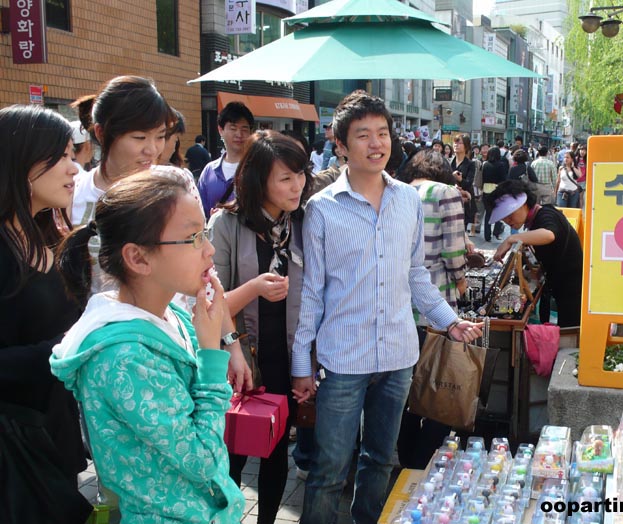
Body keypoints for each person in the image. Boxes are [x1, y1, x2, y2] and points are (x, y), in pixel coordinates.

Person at [290, 91, 483, 524]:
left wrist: (449, 322)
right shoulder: (321, 210)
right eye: (363, 135)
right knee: (328, 468)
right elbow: (313, 292)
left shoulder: (408, 201)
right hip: (343, 360)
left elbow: (416, 274)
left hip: (397, 357)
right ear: (340, 145)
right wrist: (302, 362)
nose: (377, 144)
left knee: (380, 459)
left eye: (382, 133)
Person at [51, 170, 246, 522]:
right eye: (194, 238)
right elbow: (203, 459)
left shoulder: (172, 313)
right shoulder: (124, 357)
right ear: (138, 258)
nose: (210, 249)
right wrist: (212, 356)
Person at [209, 131, 312, 524]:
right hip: (237, 356)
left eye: (301, 174)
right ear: (258, 180)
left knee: (274, 451)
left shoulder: (302, 223)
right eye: (285, 178)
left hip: (283, 356)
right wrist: (253, 288)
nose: (297, 185)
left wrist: (306, 363)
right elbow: (209, 301)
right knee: (232, 451)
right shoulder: (227, 224)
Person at [0, 105, 92, 524]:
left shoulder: (52, 237)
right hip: (13, 451)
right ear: (20, 161)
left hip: (57, 437)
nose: (74, 169)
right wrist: (63, 350)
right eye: (60, 156)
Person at [395, 150, 467, 469]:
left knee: (408, 390)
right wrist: (462, 280)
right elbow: (453, 253)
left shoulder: (398, 189)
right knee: (439, 391)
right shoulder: (445, 192)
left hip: (400, 306)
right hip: (436, 305)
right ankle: (423, 462)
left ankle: (406, 457)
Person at [70, 75, 175, 294]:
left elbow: (202, 267)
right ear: (101, 133)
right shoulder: (73, 193)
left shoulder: (175, 186)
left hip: (169, 323)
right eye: (139, 137)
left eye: (160, 136)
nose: (152, 149)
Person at [486, 179, 583, 328]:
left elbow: (549, 235)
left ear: (524, 204)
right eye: (503, 217)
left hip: (572, 287)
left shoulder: (545, 214)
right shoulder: (536, 219)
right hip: (561, 286)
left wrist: (512, 239)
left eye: (510, 214)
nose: (507, 220)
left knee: (570, 333)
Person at [198, 101, 255, 218]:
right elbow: (200, 210)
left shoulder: (257, 168)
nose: (239, 134)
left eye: (244, 129)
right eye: (233, 128)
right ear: (220, 130)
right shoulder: (209, 171)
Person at [451, 134, 477, 234]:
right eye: (455, 142)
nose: (456, 145)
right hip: (451, 198)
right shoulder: (450, 162)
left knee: (463, 229)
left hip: (465, 200)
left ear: (466, 146)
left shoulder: (470, 164)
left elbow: (469, 183)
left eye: (459, 142)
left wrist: (460, 179)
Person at [481, 146, 508, 241]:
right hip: (497, 190)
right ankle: (496, 233)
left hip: (486, 189)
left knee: (488, 214)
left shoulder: (485, 164)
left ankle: (487, 236)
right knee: (497, 212)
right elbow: (503, 179)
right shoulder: (501, 165)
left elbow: (482, 178)